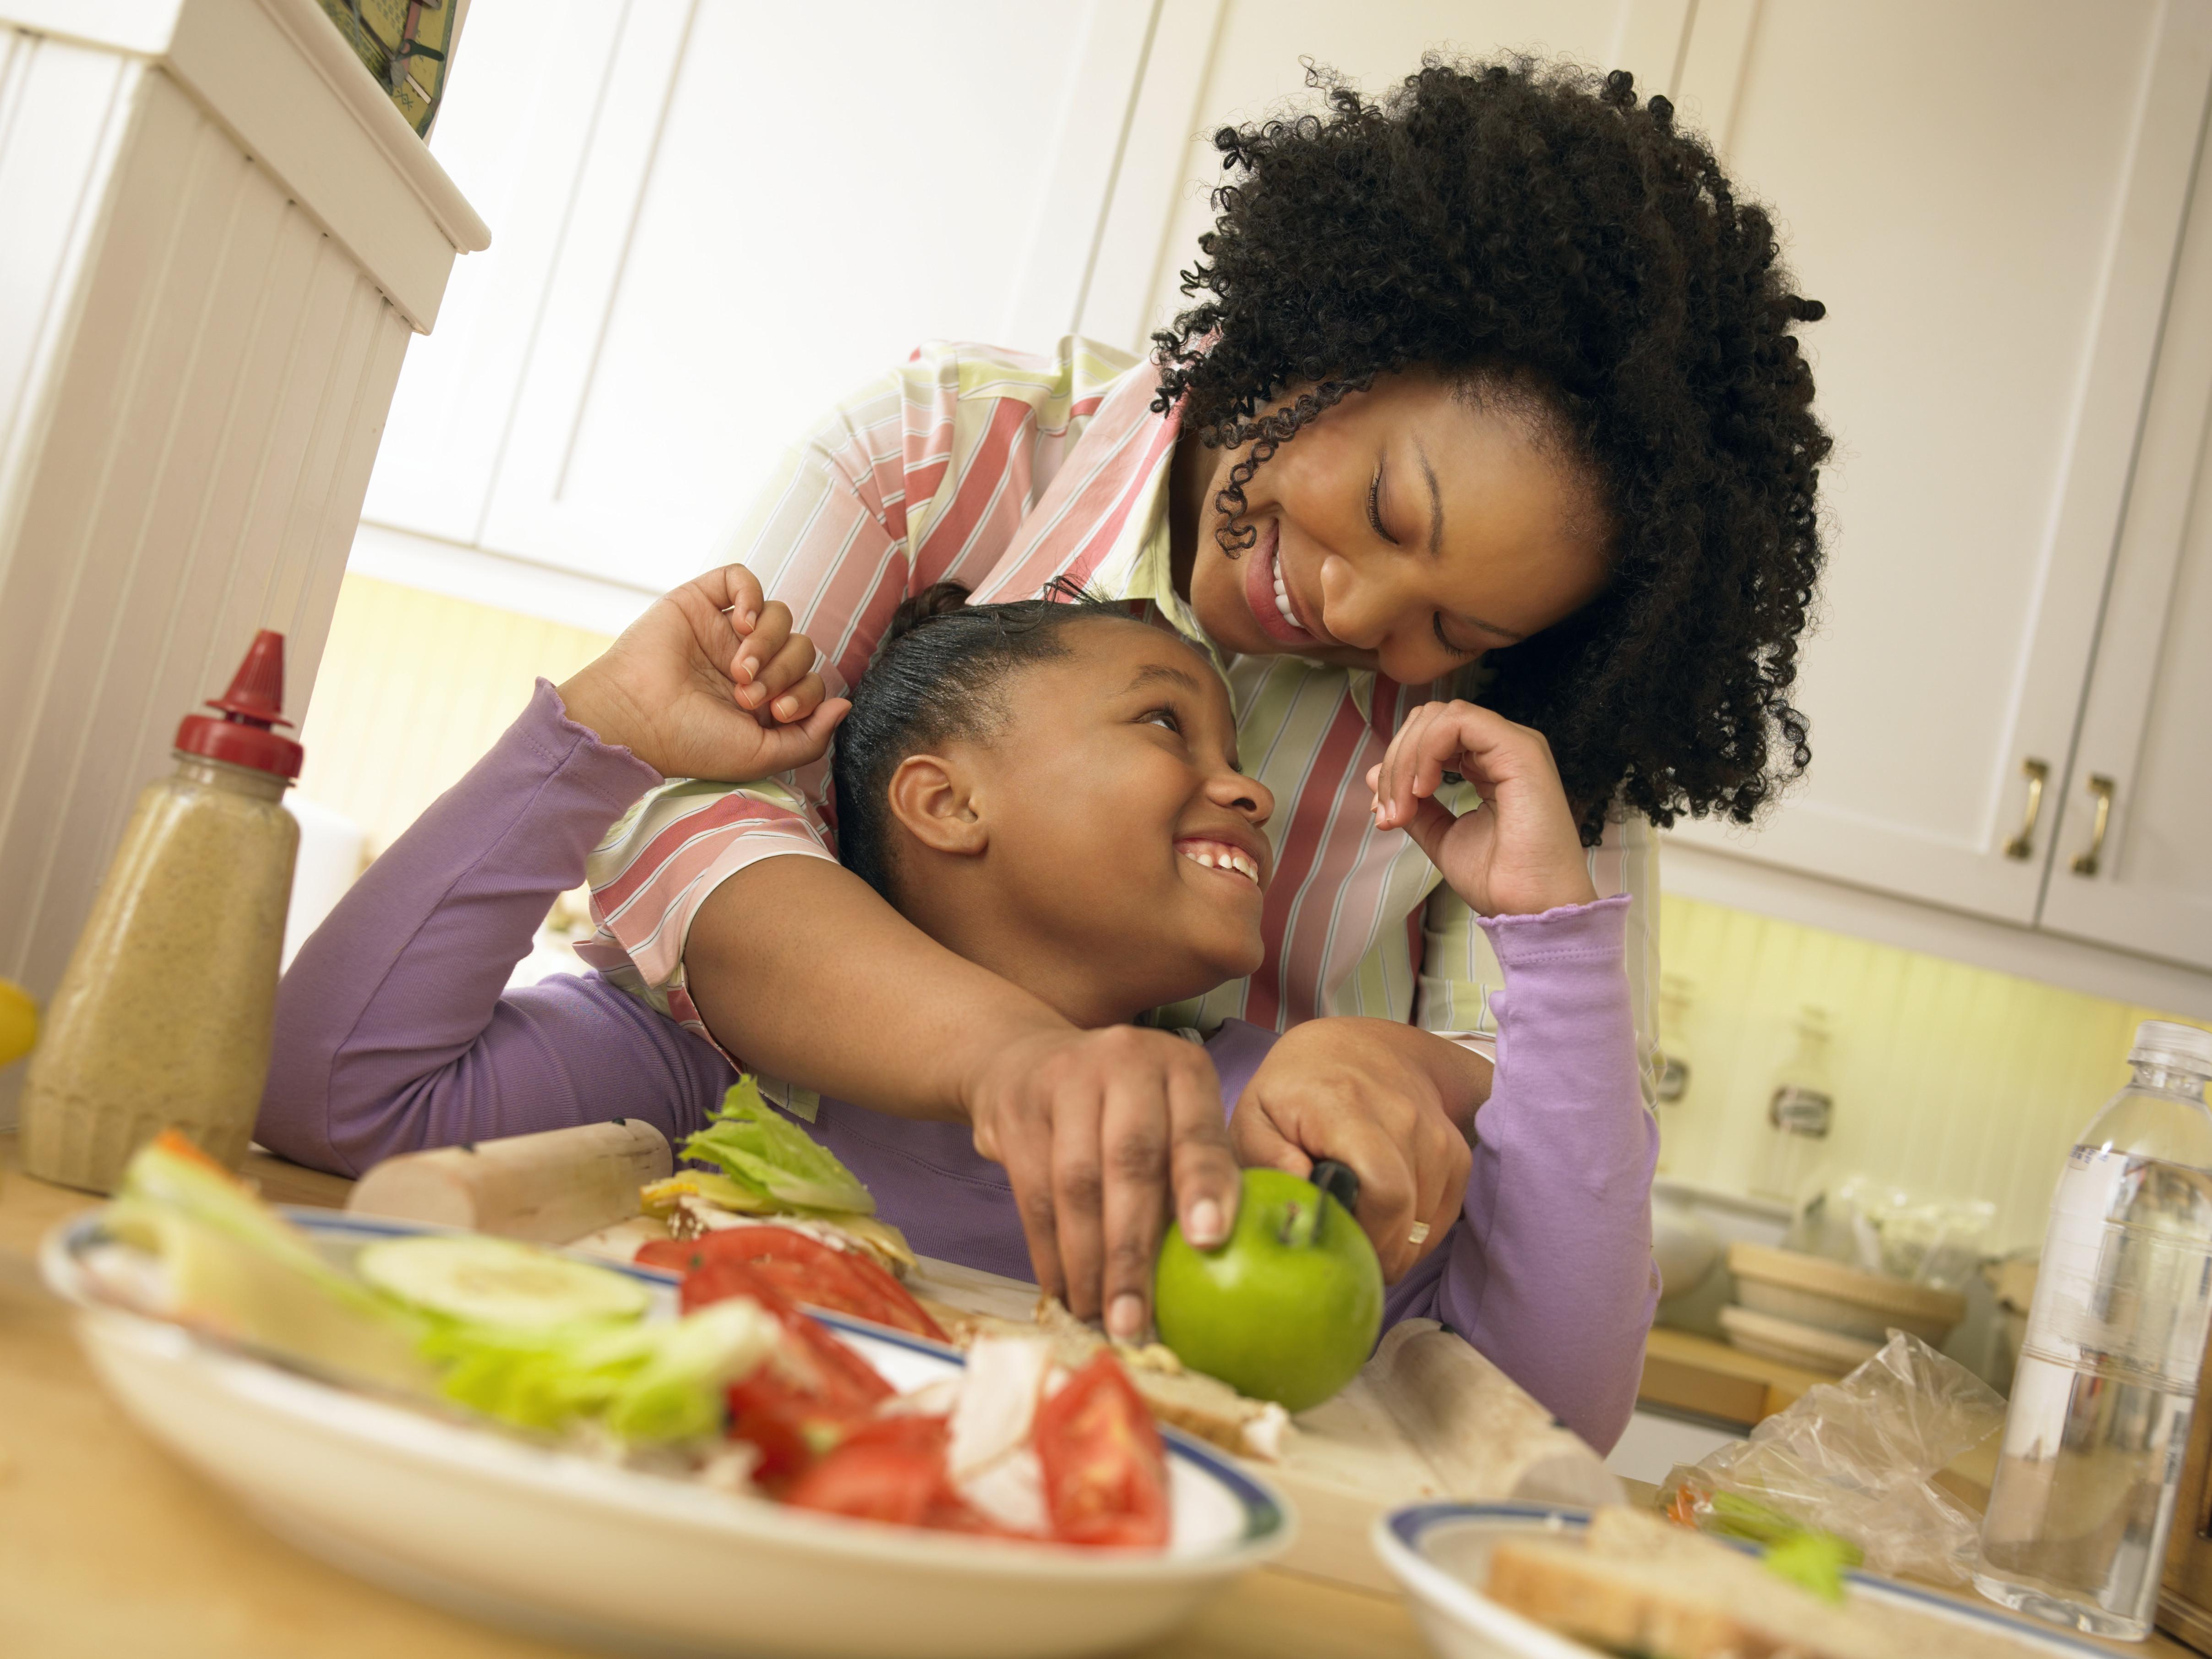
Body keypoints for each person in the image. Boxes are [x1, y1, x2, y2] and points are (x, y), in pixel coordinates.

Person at [545, 59, 1827, 1346]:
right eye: (1387, 511)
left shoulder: (1528, 753)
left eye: (1456, 628)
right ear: (1343, 324)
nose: (1356, 611)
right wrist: (1021, 1060)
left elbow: (1547, 1156)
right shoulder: (932, 463)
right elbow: (683, 827)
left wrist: (1405, 1074)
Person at [260, 576, 1655, 1448]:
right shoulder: (707, 1080)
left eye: (1242, 758)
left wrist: (1557, 934)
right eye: (1167, 725)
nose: (1248, 791)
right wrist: (599, 733)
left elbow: (1555, 1411)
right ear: (943, 800)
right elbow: (333, 1098)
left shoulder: (1262, 1132)